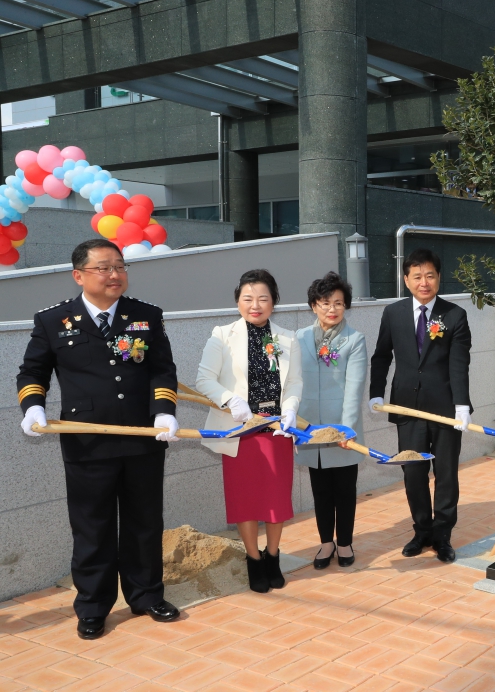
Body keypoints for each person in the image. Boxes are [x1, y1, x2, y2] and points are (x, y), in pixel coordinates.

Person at [17, 239, 181, 640]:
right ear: (79, 275)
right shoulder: (53, 320)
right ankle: (92, 606)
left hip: (142, 437)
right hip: (87, 442)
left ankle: (146, 595)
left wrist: (164, 410)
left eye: (120, 266)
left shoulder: (146, 315)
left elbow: (162, 369)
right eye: (104, 268)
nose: (114, 274)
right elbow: (32, 372)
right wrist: (33, 406)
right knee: (92, 527)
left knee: (145, 522)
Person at [195, 269, 302, 593]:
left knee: (276, 499)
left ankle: (273, 555)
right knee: (245, 499)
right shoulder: (222, 335)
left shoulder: (287, 338)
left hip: (276, 430)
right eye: (248, 298)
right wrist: (231, 400)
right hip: (240, 431)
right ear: (238, 301)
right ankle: (253, 559)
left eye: (263, 299)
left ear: (274, 302)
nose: (255, 305)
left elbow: (294, 382)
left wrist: (291, 408)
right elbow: (204, 379)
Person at [369, 248, 472, 563]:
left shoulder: (454, 315)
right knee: (413, 473)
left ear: (439, 278)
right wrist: (376, 392)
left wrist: (462, 406)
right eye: (417, 276)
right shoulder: (393, 313)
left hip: (445, 409)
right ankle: (422, 531)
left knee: (446, 474)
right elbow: (382, 356)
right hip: (407, 408)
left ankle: (443, 536)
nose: (423, 282)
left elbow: (459, 364)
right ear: (406, 279)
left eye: (430, 275)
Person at [295, 272, 368, 570]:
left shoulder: (355, 340)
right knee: (321, 491)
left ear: (346, 305)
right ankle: (326, 543)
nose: (332, 309)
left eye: (338, 302)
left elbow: (354, 388)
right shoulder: (299, 338)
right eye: (325, 303)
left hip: (341, 429)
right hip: (310, 428)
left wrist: (346, 430)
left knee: (345, 490)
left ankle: (345, 542)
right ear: (314, 305)